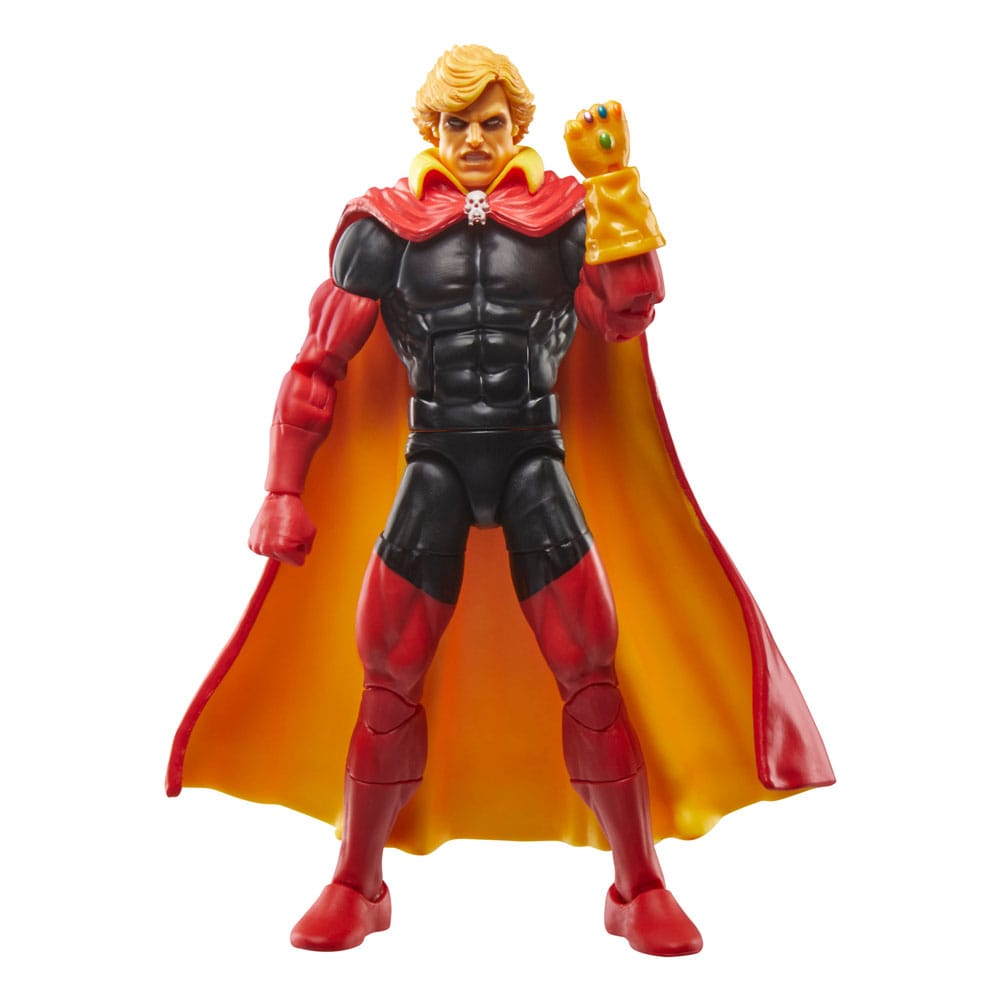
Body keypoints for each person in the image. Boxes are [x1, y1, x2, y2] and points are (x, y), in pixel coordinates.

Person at [167, 44, 834, 957]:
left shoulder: (563, 217)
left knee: (590, 668)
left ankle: (637, 884)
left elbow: (627, 310)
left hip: (532, 458)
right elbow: (316, 366)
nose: (474, 140)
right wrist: (282, 489)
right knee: (386, 672)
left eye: (490, 122)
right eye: (456, 124)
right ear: (430, 129)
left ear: (517, 126)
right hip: (435, 461)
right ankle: (358, 881)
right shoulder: (384, 228)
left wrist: (615, 183)